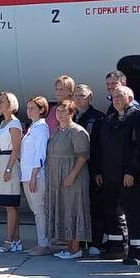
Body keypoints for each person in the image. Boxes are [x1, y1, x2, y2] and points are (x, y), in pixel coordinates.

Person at [94, 85, 140, 263]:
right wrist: (99, 171)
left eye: (120, 96)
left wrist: (132, 171)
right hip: (110, 175)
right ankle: (117, 246)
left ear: (130, 99)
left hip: (128, 176)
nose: (115, 99)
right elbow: (103, 148)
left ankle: (137, 250)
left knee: (134, 213)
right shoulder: (110, 120)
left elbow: (139, 147)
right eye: (113, 97)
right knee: (112, 211)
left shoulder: (138, 118)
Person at [45, 99, 91, 259]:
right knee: (64, 209)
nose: (60, 114)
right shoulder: (57, 131)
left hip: (73, 177)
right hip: (57, 177)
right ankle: (68, 246)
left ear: (72, 113)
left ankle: (76, 248)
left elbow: (83, 156)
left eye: (64, 111)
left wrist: (71, 175)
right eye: (58, 111)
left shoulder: (77, 131)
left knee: (74, 208)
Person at [71, 84, 106, 255]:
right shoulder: (71, 117)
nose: (78, 99)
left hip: (92, 168)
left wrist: (98, 171)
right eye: (76, 95)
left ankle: (95, 241)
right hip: (74, 168)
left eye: (82, 95)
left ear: (90, 96)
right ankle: (81, 240)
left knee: (94, 206)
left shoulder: (98, 118)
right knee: (78, 206)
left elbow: (101, 147)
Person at [0, 92, 24, 251]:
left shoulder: (14, 124)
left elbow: (16, 149)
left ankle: (9, 240)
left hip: (9, 162)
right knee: (8, 205)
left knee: (10, 205)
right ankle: (16, 238)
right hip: (1, 161)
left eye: (2, 101)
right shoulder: (3, 123)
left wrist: (9, 168)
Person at [19, 96, 50, 255]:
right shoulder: (33, 127)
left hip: (35, 175)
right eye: (28, 107)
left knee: (39, 210)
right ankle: (41, 242)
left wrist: (33, 176)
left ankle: (43, 244)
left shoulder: (42, 128)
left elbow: (40, 153)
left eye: (33, 108)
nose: (29, 110)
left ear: (42, 110)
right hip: (27, 174)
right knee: (36, 210)